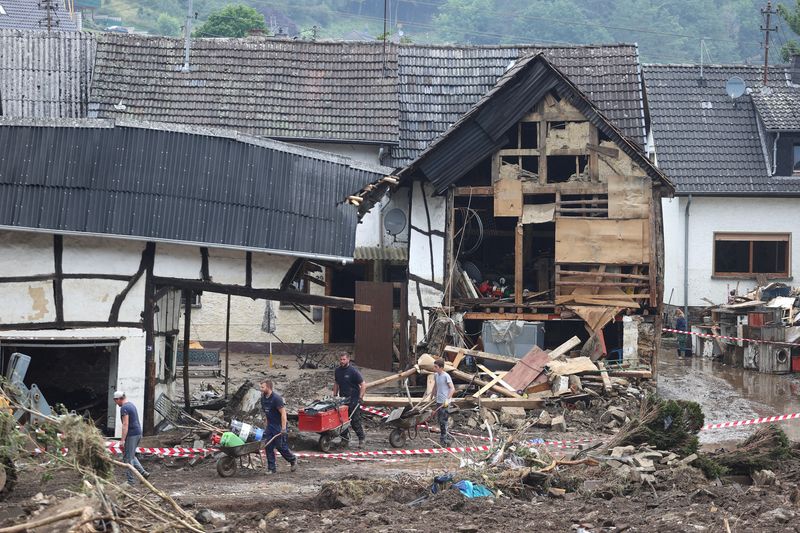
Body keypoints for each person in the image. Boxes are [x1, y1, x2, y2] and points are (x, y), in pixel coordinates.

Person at [259, 380, 297, 474]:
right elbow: (267, 413)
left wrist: (283, 428)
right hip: (270, 426)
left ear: (268, 387)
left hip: (279, 425)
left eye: (263, 387)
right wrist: (266, 426)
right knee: (268, 446)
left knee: (281, 446)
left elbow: (283, 414)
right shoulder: (263, 398)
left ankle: (292, 459)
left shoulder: (276, 398)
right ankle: (271, 468)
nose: (261, 389)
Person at [113, 391, 150, 485]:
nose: (115, 403)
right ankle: (143, 473)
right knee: (131, 455)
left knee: (128, 459)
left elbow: (125, 424)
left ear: (119, 399)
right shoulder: (131, 405)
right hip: (137, 433)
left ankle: (130, 482)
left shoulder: (124, 408)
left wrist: (122, 440)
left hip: (132, 434)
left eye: (115, 400)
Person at [333, 353, 366, 447]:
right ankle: (345, 439)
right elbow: (336, 383)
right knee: (342, 420)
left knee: (355, 421)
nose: (342, 361)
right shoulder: (338, 371)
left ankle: (361, 438)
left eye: (344, 359)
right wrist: (335, 395)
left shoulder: (353, 371)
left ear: (348, 359)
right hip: (343, 399)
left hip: (353, 399)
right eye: (341, 359)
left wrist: (360, 397)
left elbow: (363, 384)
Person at [432, 358, 455, 446]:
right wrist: (432, 395)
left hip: (445, 402)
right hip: (438, 400)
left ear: (441, 368)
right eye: (434, 367)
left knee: (443, 421)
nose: (435, 368)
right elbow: (435, 386)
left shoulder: (446, 376)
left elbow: (452, 388)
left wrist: (447, 399)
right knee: (440, 421)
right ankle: (446, 438)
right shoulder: (436, 375)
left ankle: (444, 441)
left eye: (436, 367)